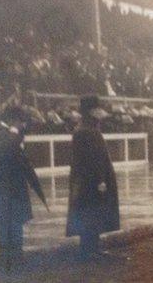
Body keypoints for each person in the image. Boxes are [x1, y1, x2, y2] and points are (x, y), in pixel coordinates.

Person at [0, 106, 47, 272]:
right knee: (5, 225)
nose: (23, 124)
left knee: (16, 223)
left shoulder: (10, 134)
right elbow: (5, 152)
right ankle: (6, 262)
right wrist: (14, 133)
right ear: (12, 120)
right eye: (20, 121)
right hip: (3, 188)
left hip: (14, 188)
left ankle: (16, 258)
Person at [66, 95, 120, 261]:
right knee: (93, 214)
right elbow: (94, 160)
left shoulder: (82, 130)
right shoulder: (89, 132)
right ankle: (90, 250)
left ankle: (90, 249)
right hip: (92, 182)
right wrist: (101, 180)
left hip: (84, 181)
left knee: (89, 215)